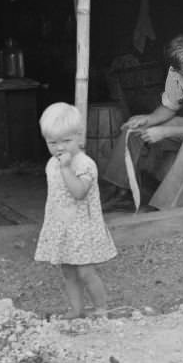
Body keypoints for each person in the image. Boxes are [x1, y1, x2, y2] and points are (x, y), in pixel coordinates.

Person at [101, 34, 183, 210]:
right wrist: (149, 119)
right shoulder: (175, 74)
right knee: (136, 129)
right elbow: (170, 106)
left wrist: (165, 132)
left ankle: (164, 206)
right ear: (177, 71)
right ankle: (122, 191)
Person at [34, 102, 117, 319]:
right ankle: (77, 309)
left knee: (85, 271)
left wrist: (65, 168)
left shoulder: (84, 164)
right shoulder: (51, 164)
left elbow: (79, 192)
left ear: (79, 136)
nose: (59, 148)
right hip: (63, 226)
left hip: (83, 228)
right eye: (53, 143)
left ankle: (101, 309)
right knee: (68, 271)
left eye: (66, 141)